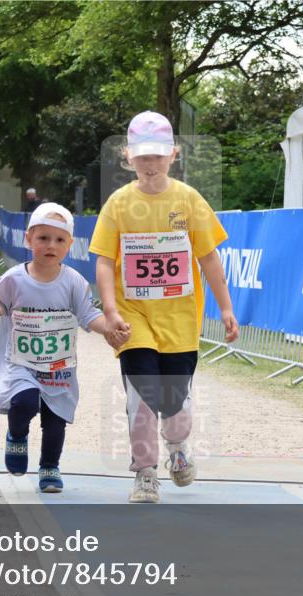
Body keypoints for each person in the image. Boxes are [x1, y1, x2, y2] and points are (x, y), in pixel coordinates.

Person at [89, 110, 239, 503]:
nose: (150, 163)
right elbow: (104, 260)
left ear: (173, 154)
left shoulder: (189, 200)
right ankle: (145, 473)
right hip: (133, 316)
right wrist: (111, 311)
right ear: (128, 157)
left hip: (180, 319)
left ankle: (178, 449)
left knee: (174, 399)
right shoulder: (118, 204)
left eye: (157, 155)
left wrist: (225, 308)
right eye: (142, 155)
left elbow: (208, 258)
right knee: (142, 396)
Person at [0, 203, 129, 492]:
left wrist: (109, 327)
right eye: (43, 238)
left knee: (55, 421)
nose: (51, 245)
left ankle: (50, 466)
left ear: (70, 245)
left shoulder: (73, 281)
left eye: (59, 240)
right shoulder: (14, 278)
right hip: (21, 364)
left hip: (59, 367)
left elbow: (88, 315)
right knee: (23, 402)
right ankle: (16, 435)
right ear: (28, 239)